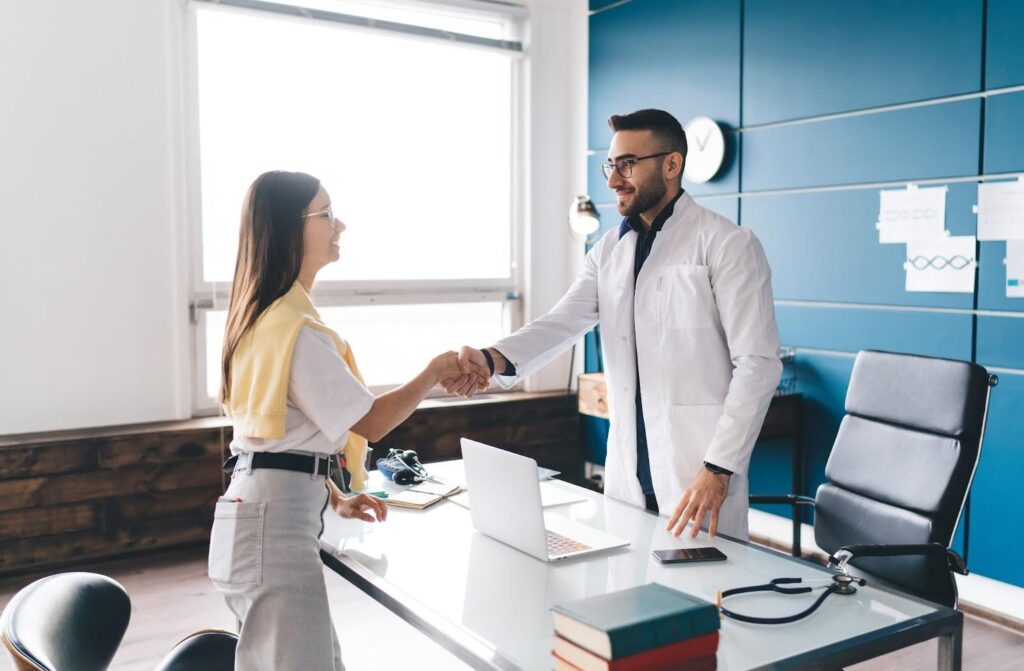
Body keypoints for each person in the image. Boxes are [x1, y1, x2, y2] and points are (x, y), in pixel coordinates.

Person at [446, 109, 781, 541]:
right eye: (611, 164)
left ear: (672, 164)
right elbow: (563, 321)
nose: (612, 180)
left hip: (698, 474)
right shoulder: (608, 251)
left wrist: (719, 467)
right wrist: (492, 360)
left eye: (626, 164)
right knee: (633, 597)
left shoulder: (727, 244)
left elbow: (758, 364)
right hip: (628, 478)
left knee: (702, 600)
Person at [210, 170, 487, 670]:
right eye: (326, 214)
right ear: (289, 229)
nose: (341, 225)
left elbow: (266, 437)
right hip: (273, 534)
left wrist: (334, 495)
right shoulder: (298, 332)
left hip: (250, 518)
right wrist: (434, 372)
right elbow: (374, 423)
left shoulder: (260, 318)